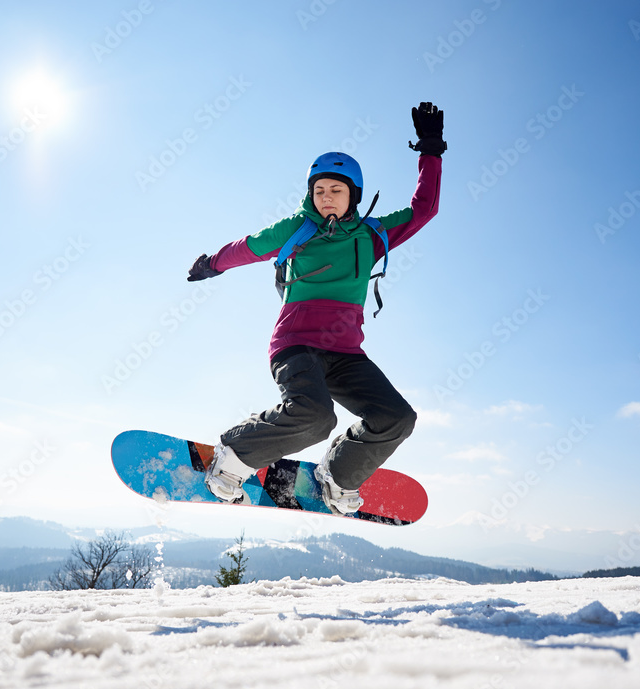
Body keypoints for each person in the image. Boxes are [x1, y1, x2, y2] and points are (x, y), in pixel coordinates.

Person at [186, 102, 446, 515]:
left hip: (345, 354)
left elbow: (424, 209)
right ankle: (233, 456)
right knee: (314, 416)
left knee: (396, 417)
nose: (326, 198)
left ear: (353, 197)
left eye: (336, 191)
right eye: (319, 190)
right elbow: (248, 247)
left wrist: (430, 151)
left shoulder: (373, 236)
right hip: (296, 345)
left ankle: (339, 475)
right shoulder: (297, 228)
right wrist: (212, 264)